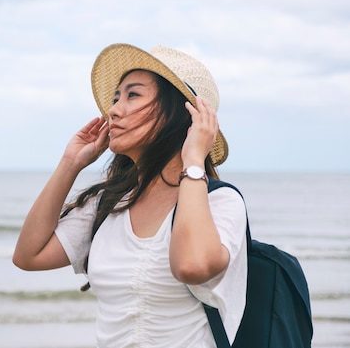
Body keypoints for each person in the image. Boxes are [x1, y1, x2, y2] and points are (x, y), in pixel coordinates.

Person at [13, 43, 248, 347]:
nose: (113, 110)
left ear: (179, 112)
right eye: (115, 98)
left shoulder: (221, 202)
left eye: (132, 95)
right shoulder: (109, 205)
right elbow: (28, 256)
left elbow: (190, 266)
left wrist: (192, 160)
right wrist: (70, 164)